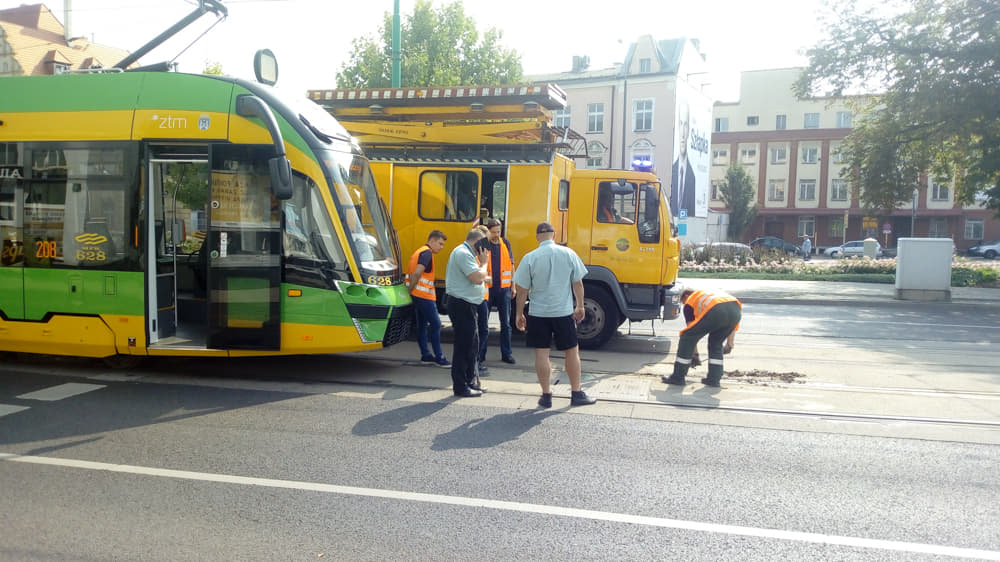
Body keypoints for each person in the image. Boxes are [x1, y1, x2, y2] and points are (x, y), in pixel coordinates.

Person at [514, 222, 597, 408]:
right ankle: (576, 393)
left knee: (542, 353)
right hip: (563, 312)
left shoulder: (530, 258)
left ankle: (546, 396)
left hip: (538, 313)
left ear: (537, 237)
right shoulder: (568, 254)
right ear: (554, 234)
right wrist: (580, 306)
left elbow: (522, 291)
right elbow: (578, 283)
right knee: (572, 352)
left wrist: (519, 313)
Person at [662, 288, 742, 388]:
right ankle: (714, 379)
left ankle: (678, 377)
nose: (683, 304)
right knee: (716, 343)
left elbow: (691, 332)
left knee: (686, 337)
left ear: (686, 296)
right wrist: (730, 343)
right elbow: (734, 324)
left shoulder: (690, 301)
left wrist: (694, 354)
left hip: (716, 309)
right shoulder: (708, 294)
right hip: (736, 308)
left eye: (682, 302)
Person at [445, 228, 491, 397]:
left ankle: (470, 380)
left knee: (472, 345)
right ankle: (460, 386)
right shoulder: (463, 253)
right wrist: (484, 263)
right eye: (483, 244)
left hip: (469, 304)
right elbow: (477, 277)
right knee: (463, 346)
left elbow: (477, 276)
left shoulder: (468, 254)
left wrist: (482, 272)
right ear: (477, 242)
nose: (485, 250)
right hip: (461, 304)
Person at [406, 230, 450, 368]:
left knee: (422, 325)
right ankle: (439, 357)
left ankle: (425, 355)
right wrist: (409, 291)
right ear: (432, 240)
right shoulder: (427, 253)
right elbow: (418, 272)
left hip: (418, 295)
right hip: (424, 296)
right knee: (436, 324)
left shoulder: (419, 251)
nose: (441, 247)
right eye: (440, 243)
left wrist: (410, 291)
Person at [480, 218, 517, 365]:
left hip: (503, 289)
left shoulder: (505, 243)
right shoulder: (483, 243)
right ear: (488, 231)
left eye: (498, 231)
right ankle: (480, 354)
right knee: (483, 324)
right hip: (487, 290)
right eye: (494, 232)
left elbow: (511, 265)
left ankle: (506, 354)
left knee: (506, 324)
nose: (496, 234)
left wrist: (513, 286)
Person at [670, 102, 696, 218]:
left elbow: (690, 214)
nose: (682, 133)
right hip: (670, 229)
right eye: (680, 124)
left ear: (689, 129)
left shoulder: (692, 177)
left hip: (681, 227)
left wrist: (682, 231)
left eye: (685, 125)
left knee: (681, 234)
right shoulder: (672, 171)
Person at [474, 224, 492, 378]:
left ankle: (477, 361)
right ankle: (475, 362)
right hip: (477, 298)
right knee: (479, 331)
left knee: (482, 330)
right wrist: (487, 278)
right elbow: (478, 276)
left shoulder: (482, 253)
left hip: (482, 298)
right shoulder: (477, 255)